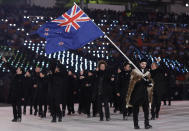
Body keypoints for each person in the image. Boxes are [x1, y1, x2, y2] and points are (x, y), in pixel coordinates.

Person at [126, 59, 153, 129]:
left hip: (144, 94)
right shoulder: (135, 71)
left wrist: (149, 82)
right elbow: (132, 82)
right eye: (142, 64)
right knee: (135, 111)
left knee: (146, 111)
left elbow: (149, 82)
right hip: (136, 94)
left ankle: (146, 124)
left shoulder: (147, 72)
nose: (144, 65)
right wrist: (140, 79)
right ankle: (136, 125)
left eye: (145, 64)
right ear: (140, 64)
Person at [2, 57, 24, 122]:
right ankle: (15, 117)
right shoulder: (15, 74)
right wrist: (6, 61)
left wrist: (23, 96)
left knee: (19, 106)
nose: (17, 69)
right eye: (17, 69)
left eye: (18, 69)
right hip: (13, 93)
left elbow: (23, 88)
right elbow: (10, 67)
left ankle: (19, 117)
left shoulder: (22, 78)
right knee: (14, 106)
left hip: (19, 94)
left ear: (21, 71)